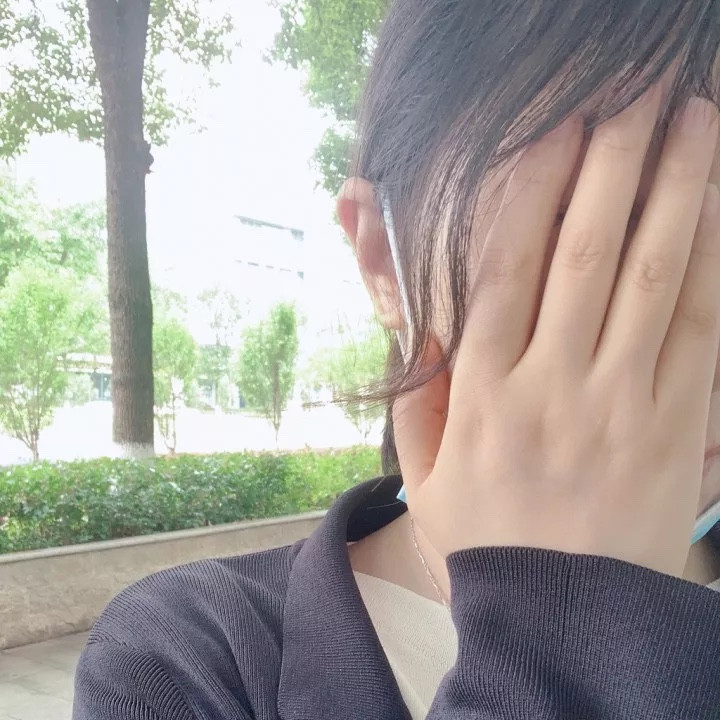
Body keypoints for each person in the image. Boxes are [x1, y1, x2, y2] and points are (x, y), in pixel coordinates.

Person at [73, 1, 720, 718]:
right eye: (593, 226)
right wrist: (559, 621)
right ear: (384, 260)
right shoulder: (184, 659)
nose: (693, 327)